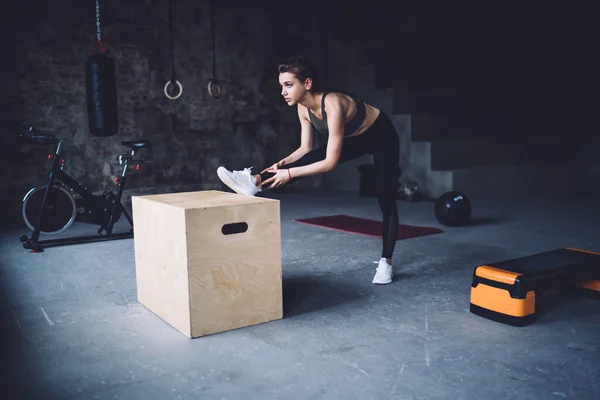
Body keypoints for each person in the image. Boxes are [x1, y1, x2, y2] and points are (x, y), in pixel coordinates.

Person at [217, 56, 400, 285]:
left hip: (381, 136)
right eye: (281, 86)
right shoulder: (303, 108)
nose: (283, 91)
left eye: (288, 85)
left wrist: (290, 174)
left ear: (308, 84)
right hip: (357, 138)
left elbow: (330, 162)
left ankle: (386, 262)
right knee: (309, 157)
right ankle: (254, 181)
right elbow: (306, 149)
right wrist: (282, 164)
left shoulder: (333, 104)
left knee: (385, 196)